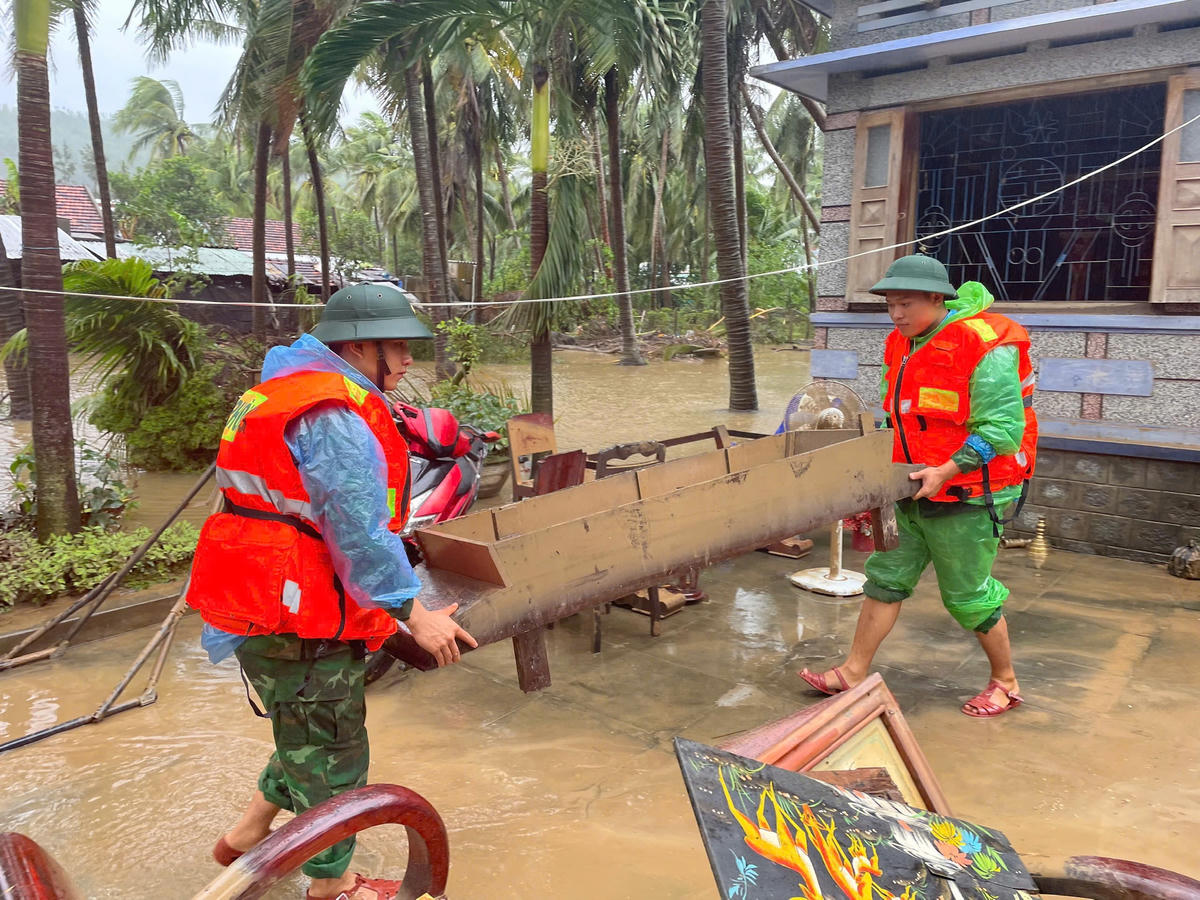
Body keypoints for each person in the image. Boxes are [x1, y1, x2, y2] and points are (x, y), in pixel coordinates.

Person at [185, 283, 477, 900]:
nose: (406, 362)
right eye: (396, 348)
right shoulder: (334, 416)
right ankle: (333, 888)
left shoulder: (277, 388)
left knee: (307, 731)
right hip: (297, 615)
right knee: (336, 753)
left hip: (260, 602)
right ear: (356, 345)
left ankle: (245, 836)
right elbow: (361, 533)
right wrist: (413, 615)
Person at [798, 254, 1037, 718]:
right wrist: (872, 481)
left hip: (970, 493)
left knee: (967, 595)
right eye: (890, 304)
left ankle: (1005, 682)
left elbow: (1003, 429)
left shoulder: (985, 344)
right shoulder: (902, 344)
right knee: (886, 578)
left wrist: (947, 470)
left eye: (905, 304)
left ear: (937, 298)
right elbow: (898, 417)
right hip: (911, 487)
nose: (896, 314)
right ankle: (852, 670)